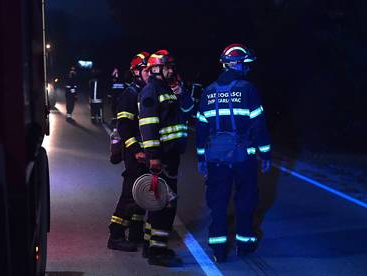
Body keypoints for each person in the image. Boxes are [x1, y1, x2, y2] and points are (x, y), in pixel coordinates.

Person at [196, 43, 272, 262]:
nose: (248, 69)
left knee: (218, 204)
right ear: (237, 64)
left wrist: (201, 158)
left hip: (215, 159)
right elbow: (259, 126)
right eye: (246, 64)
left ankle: (219, 250)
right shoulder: (248, 89)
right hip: (244, 158)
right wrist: (265, 154)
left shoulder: (208, 92)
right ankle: (244, 245)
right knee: (245, 201)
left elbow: (201, 130)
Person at [138, 50, 193, 267]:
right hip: (162, 158)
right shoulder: (152, 90)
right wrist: (153, 157)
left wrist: (182, 93)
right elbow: (148, 125)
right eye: (168, 67)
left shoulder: (167, 89)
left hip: (171, 155)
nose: (172, 70)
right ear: (156, 69)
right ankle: (157, 252)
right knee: (166, 204)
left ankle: (153, 247)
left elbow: (185, 112)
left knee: (160, 203)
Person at [107, 52, 151, 252]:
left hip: (144, 151)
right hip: (135, 152)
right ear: (135, 72)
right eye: (145, 69)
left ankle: (135, 232)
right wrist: (135, 150)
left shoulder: (146, 92)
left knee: (141, 193)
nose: (149, 73)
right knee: (130, 194)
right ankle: (116, 235)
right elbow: (124, 126)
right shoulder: (130, 94)